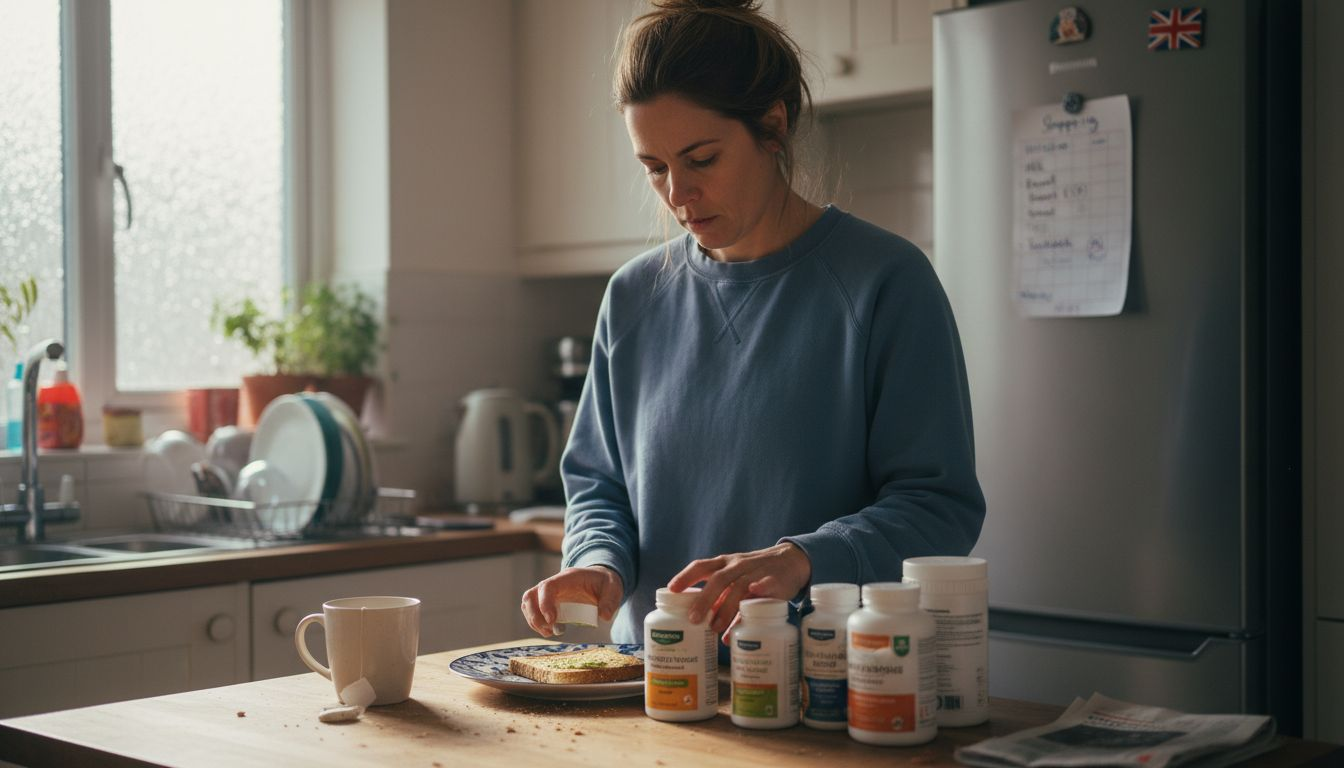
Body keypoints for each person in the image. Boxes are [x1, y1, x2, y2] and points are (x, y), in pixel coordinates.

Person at [520, 0, 985, 650]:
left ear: (773, 126)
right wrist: (598, 564)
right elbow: (599, 484)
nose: (677, 194)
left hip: (828, 693)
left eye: (701, 159)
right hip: (657, 685)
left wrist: (801, 558)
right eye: (654, 167)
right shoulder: (631, 297)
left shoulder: (886, 281)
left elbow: (940, 506)